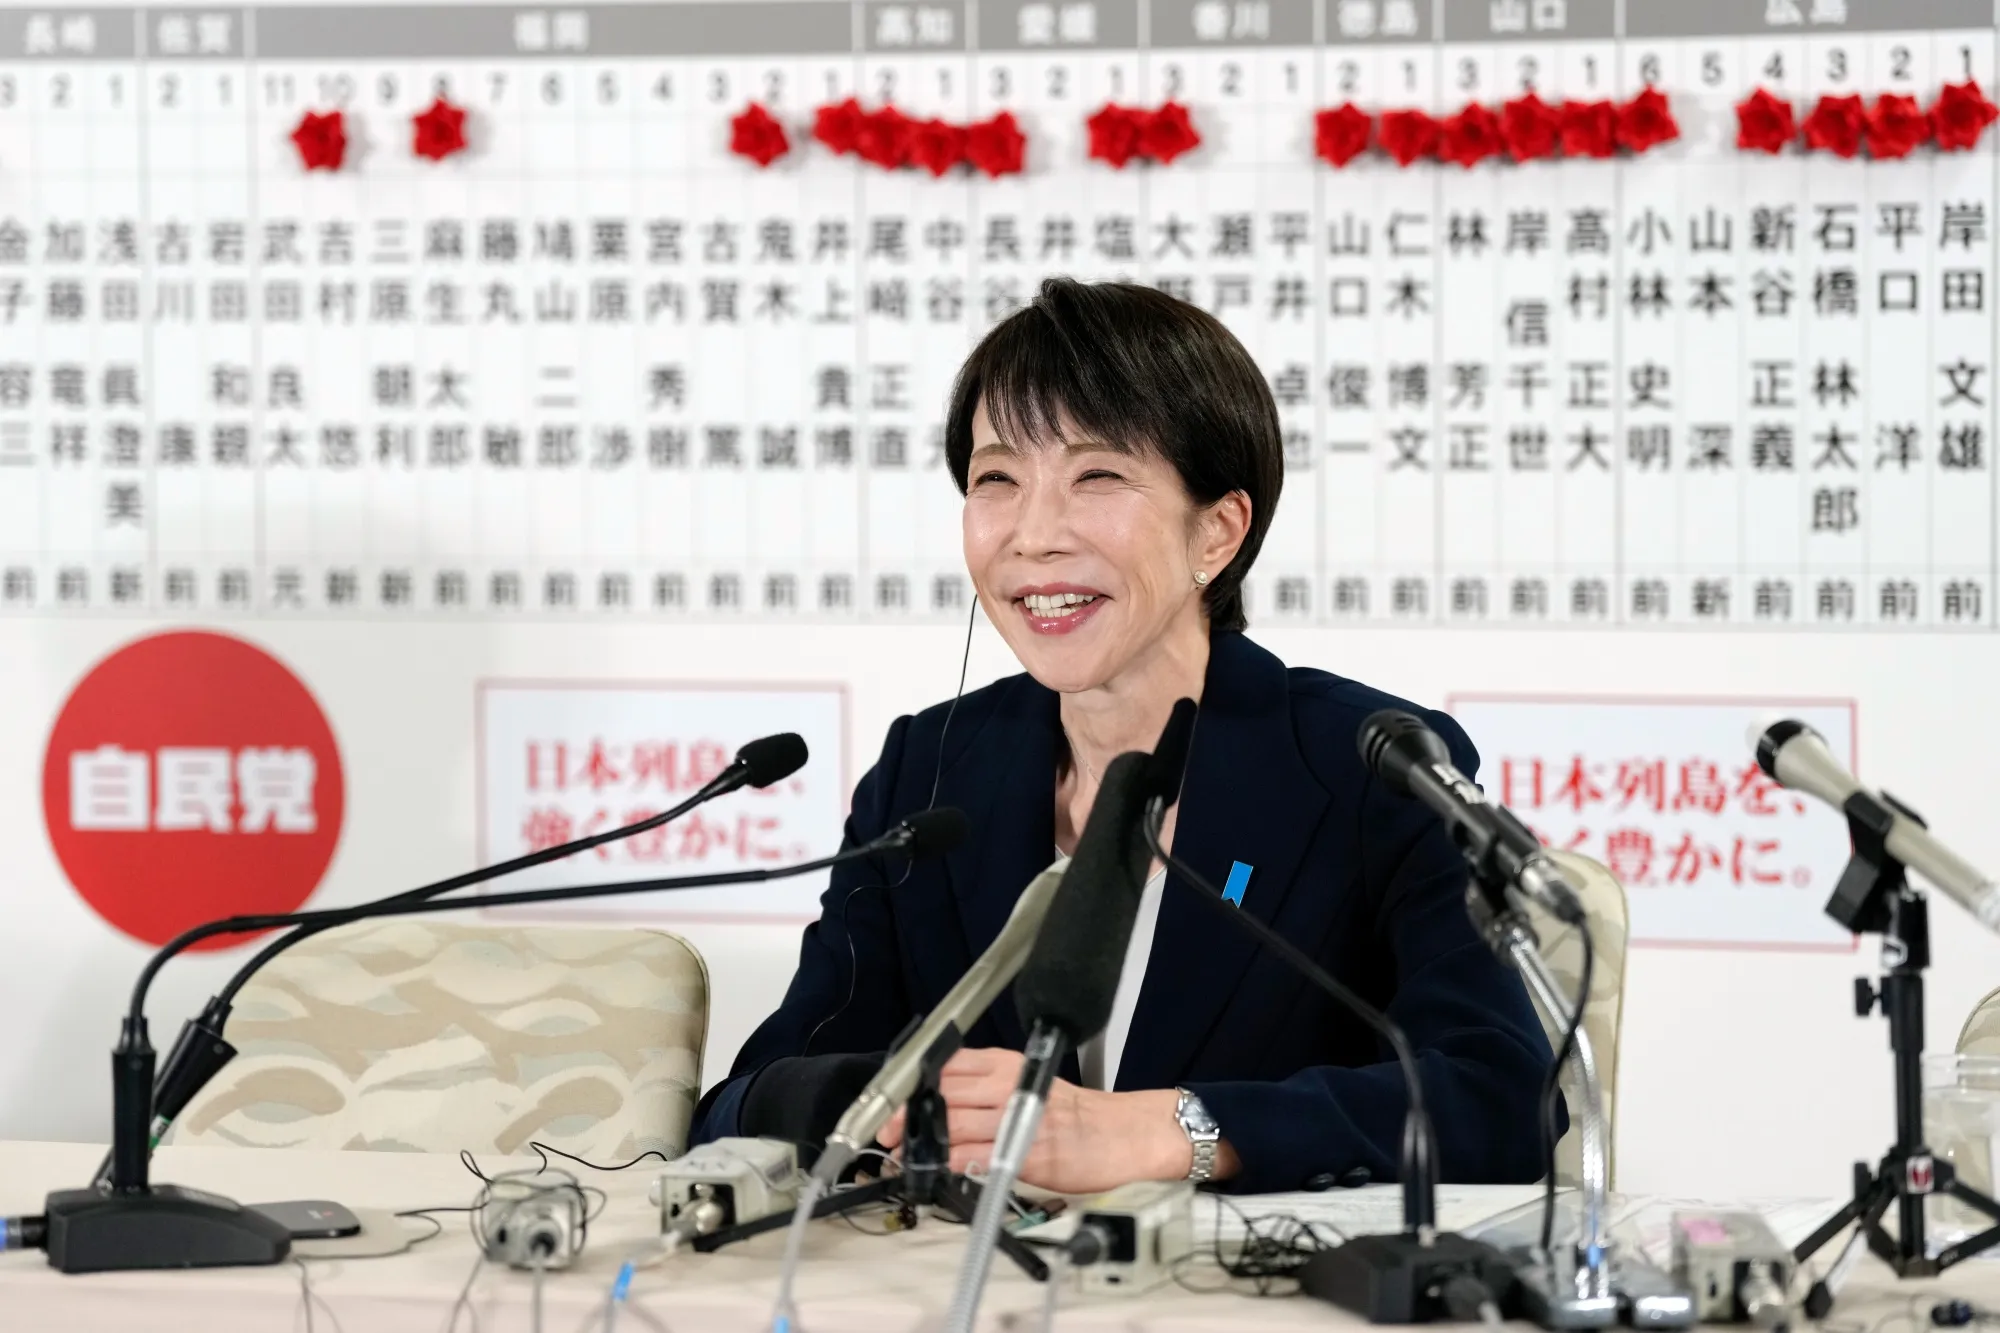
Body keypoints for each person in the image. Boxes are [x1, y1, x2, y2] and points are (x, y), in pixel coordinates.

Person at [690, 278, 1554, 1195]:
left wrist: (1172, 1127)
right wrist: (873, 1100)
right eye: (997, 480)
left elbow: (1503, 1099)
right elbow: (745, 1099)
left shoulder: (1370, 768)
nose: (1034, 535)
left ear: (1217, 532)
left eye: (1096, 476)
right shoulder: (927, 773)